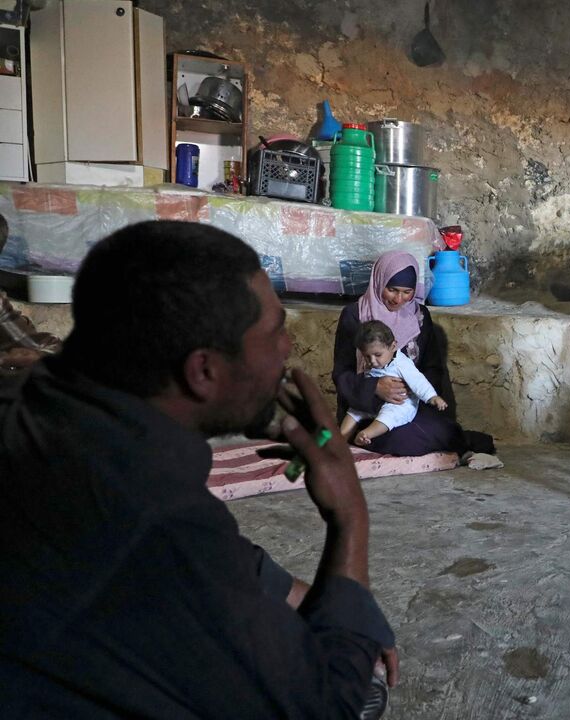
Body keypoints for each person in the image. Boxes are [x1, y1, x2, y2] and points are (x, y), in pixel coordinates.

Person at [0, 221, 397, 718]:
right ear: (204, 371)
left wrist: (312, 596)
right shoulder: (156, 519)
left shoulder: (35, 401)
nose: (288, 348)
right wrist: (350, 518)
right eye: (275, 332)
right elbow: (327, 706)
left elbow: (211, 560)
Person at [332, 250, 472, 457]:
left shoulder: (420, 316)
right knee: (403, 439)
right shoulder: (355, 315)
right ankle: (355, 436)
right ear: (379, 282)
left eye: (407, 292)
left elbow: (432, 367)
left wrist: (409, 388)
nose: (399, 299)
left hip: (408, 403)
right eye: (392, 290)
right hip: (366, 405)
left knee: (445, 431)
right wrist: (375, 387)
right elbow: (341, 372)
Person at [340, 319, 449, 447]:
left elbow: (418, 381)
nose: (373, 361)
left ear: (393, 346)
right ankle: (340, 440)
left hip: (399, 403)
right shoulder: (373, 361)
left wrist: (432, 397)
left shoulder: (402, 364)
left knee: (390, 414)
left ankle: (366, 434)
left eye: (377, 355)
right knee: (354, 410)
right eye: (367, 357)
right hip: (374, 400)